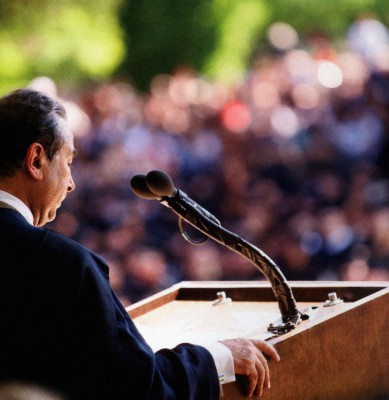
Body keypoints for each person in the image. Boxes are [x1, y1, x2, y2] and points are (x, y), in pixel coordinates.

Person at [0, 88, 280, 399]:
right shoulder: (63, 265)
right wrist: (220, 357)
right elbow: (136, 390)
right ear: (36, 160)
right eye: (67, 162)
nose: (70, 182)